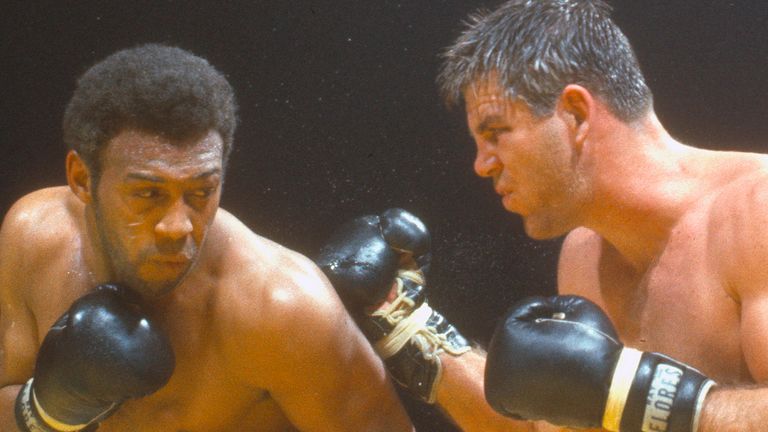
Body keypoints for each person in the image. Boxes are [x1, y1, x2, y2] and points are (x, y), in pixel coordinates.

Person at [0, 44, 414, 432]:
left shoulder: (280, 310)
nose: (177, 226)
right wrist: (44, 411)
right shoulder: (34, 236)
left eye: (201, 192)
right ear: (81, 179)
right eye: (147, 194)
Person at [433, 0, 768, 430]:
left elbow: (621, 399)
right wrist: (410, 331)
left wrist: (643, 397)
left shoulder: (754, 212)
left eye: (496, 133)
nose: (482, 164)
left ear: (574, 114)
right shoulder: (583, 255)